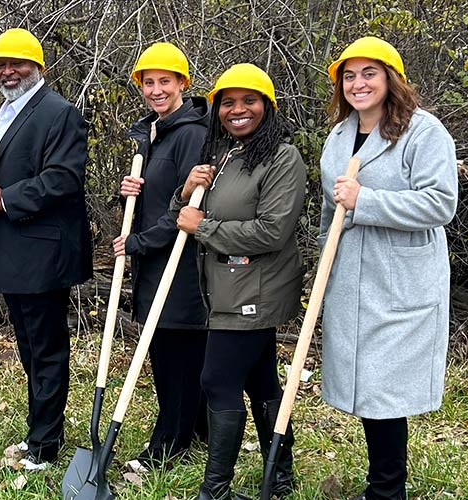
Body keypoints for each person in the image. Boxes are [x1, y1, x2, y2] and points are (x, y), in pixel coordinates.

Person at [319, 37, 458, 500]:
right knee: (366, 389)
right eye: (349, 76)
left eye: (369, 73)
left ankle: (386, 491)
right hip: (351, 277)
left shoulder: (424, 131)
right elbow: (328, 209)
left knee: (384, 391)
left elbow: (440, 203)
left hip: (400, 279)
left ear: (390, 78)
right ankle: (382, 485)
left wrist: (367, 200)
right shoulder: (338, 136)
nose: (358, 84)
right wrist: (324, 262)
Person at [171, 63, 306, 499]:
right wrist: (185, 188)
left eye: (249, 101)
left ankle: (216, 491)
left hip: (256, 288)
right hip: (223, 286)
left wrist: (204, 227)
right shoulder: (224, 152)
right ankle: (280, 478)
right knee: (261, 379)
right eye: (227, 103)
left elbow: (273, 230)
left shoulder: (282, 157)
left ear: (268, 105)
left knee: (217, 380)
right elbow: (187, 213)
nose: (237, 110)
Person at [0, 28, 91, 471]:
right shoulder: (6, 110)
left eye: (17, 63)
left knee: (46, 347)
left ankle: (45, 445)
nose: (7, 71)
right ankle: (39, 430)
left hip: (40, 255)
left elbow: (64, 177)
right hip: (11, 252)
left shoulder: (59, 113)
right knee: (29, 347)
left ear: (38, 67)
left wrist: (8, 199)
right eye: (1, 64)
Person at [113, 42, 209, 472]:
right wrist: (127, 197)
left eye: (164, 82)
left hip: (182, 265)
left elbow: (187, 209)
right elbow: (156, 199)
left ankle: (168, 445)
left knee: (176, 355)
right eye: (148, 82)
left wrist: (138, 242)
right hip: (153, 262)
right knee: (169, 352)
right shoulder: (151, 132)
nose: (155, 90)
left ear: (182, 84)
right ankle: (200, 430)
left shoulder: (191, 133)